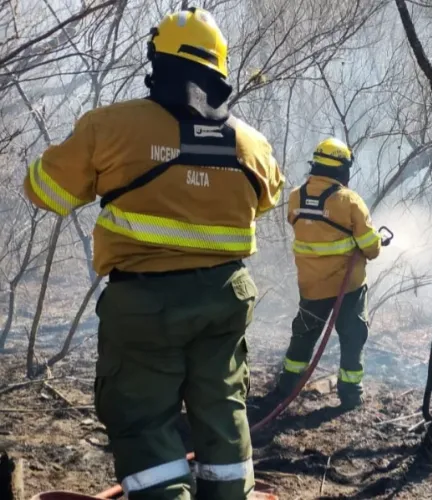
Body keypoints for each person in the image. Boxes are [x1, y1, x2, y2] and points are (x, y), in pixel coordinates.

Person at [22, 7, 285, 499]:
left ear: (157, 60)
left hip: (144, 304)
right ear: (219, 70)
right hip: (225, 298)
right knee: (222, 406)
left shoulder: (110, 127)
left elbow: (46, 192)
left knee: (142, 418)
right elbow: (269, 197)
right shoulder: (252, 144)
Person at [248, 138, 383, 419]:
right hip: (349, 289)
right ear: (342, 169)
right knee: (352, 336)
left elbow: (305, 227)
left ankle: (287, 386)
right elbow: (371, 248)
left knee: (304, 336)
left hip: (311, 286)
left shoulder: (296, 196)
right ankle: (350, 394)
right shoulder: (349, 201)